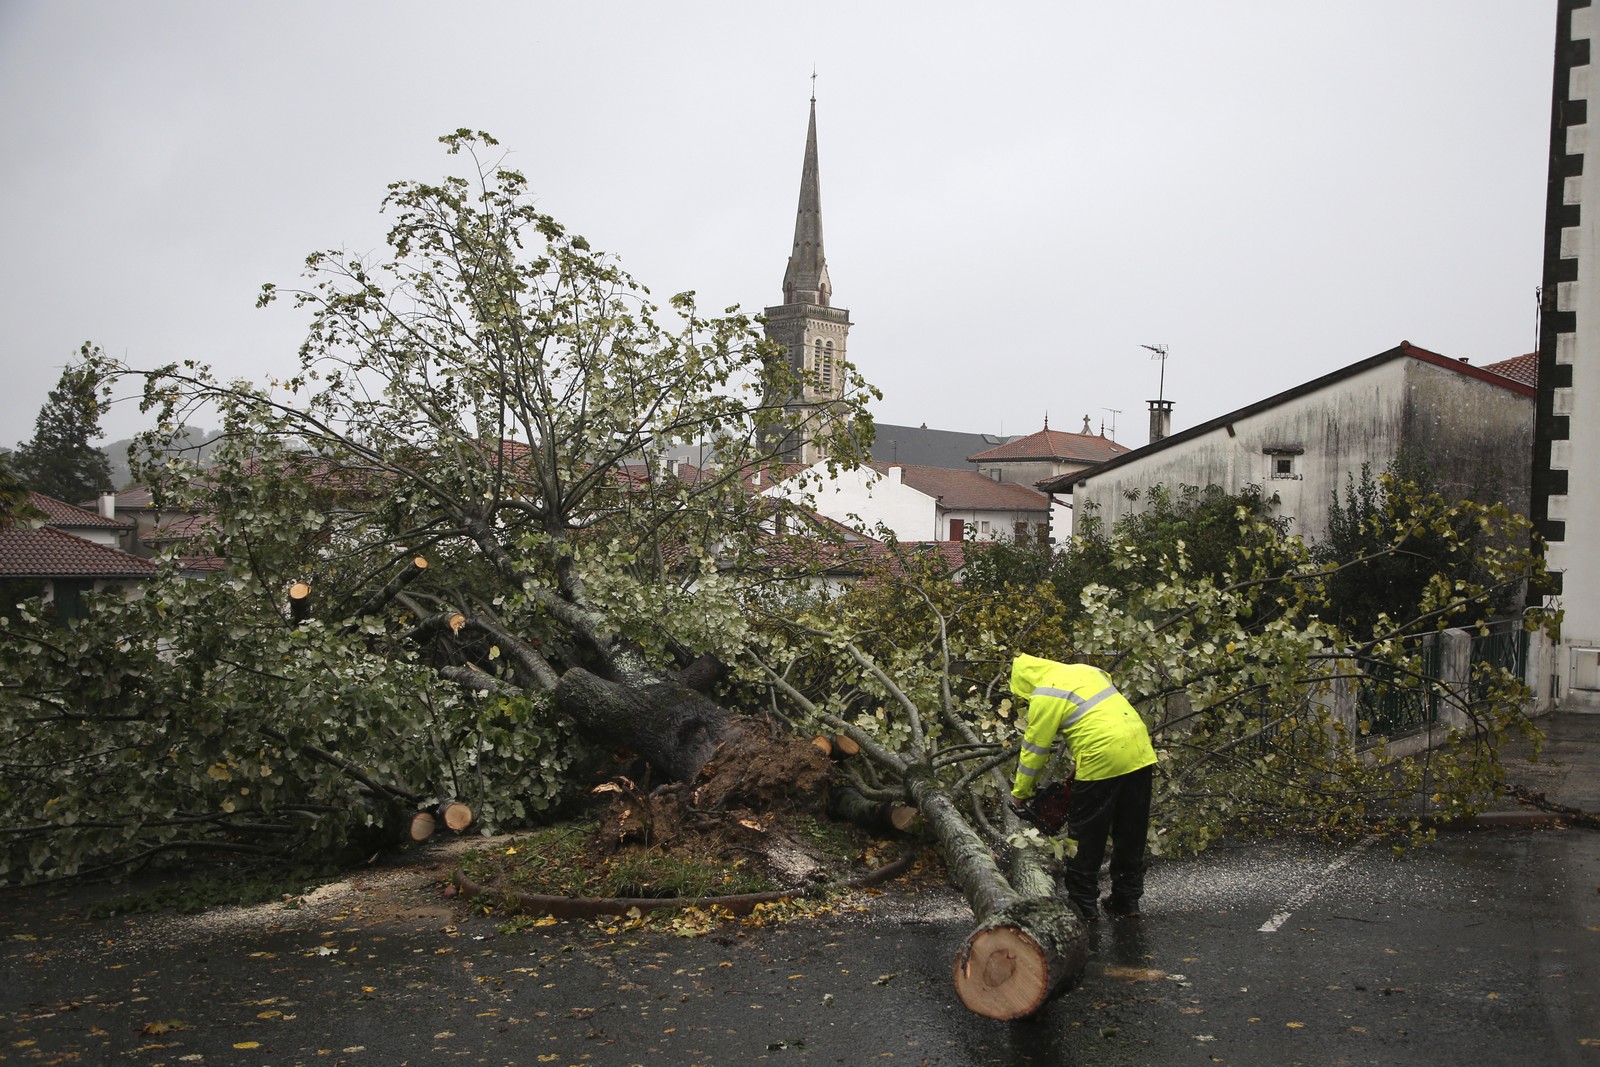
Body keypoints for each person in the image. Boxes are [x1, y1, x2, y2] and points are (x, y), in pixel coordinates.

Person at [1007, 653, 1157, 922]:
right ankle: (1127, 899)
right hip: (1140, 750)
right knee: (1130, 831)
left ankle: (1083, 905)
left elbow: (1034, 749)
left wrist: (1021, 793)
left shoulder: (1045, 693)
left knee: (1086, 835)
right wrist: (1078, 764)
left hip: (1102, 758)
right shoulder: (1087, 672)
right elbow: (1100, 716)